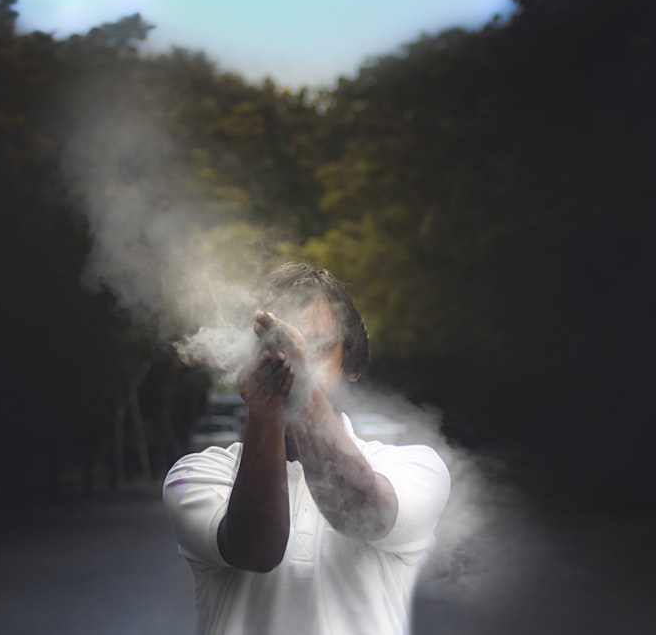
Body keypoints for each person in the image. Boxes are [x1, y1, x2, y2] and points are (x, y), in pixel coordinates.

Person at [163, 263, 450, 635]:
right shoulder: (198, 474)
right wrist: (267, 417)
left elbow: (364, 514)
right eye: (275, 347)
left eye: (316, 346)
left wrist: (303, 395)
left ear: (352, 364)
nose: (293, 360)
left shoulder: (411, 466)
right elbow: (255, 550)